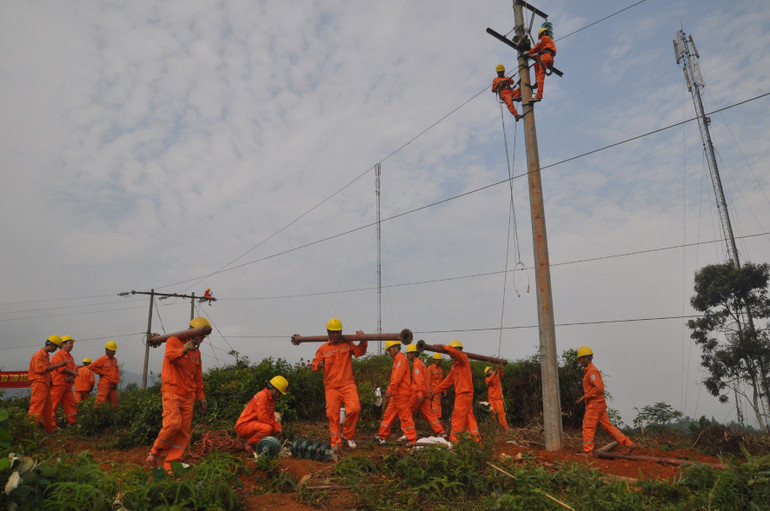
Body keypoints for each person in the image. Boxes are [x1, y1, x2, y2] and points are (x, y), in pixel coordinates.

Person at [146, 317, 209, 471]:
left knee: (183, 432)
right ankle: (154, 452)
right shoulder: (173, 341)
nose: (202, 340)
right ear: (195, 333)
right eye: (202, 336)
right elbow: (170, 357)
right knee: (173, 424)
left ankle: (171, 465)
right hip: (172, 392)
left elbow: (197, 378)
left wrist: (201, 398)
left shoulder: (197, 353)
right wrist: (184, 349)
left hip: (188, 396)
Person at [312, 318, 368, 450]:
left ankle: (348, 435)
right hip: (331, 387)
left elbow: (360, 352)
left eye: (337, 332)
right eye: (333, 332)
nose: (335, 335)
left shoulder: (347, 344)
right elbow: (315, 364)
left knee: (355, 409)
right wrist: (318, 364)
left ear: (341, 332)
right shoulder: (323, 349)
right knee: (332, 415)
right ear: (328, 333)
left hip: (347, 384)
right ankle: (335, 443)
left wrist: (363, 339)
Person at [576, 346, 636, 455]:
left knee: (588, 427)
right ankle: (628, 443)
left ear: (587, 358)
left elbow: (599, 389)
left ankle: (588, 452)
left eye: (581, 358)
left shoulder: (591, 371)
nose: (580, 361)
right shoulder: (590, 371)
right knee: (608, 427)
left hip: (594, 404)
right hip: (599, 404)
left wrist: (584, 397)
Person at [434, 340, 480, 442]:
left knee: (457, 418)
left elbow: (456, 353)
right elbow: (447, 381)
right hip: (464, 394)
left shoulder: (463, 359)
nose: (450, 355)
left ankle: (455, 441)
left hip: (464, 394)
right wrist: (435, 391)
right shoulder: (455, 367)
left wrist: (444, 346)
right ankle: (476, 440)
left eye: (451, 352)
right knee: (469, 418)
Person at [373, 341, 416, 445]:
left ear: (395, 348)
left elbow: (397, 377)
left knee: (405, 417)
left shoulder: (401, 359)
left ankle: (412, 440)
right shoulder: (398, 360)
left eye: (389, 351)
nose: (389, 353)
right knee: (388, 415)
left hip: (401, 394)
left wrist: (390, 390)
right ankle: (382, 437)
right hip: (396, 394)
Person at [235, 376, 288, 453]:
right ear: (273, 389)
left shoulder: (271, 399)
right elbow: (262, 417)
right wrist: (275, 426)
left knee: (272, 429)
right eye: (279, 392)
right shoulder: (262, 396)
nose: (280, 395)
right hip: (244, 426)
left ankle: (260, 444)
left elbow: (271, 417)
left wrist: (277, 427)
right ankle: (248, 443)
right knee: (267, 429)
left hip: (254, 425)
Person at [28, 335, 68, 432]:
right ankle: (31, 429)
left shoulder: (45, 356)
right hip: (39, 383)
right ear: (51, 345)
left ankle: (50, 428)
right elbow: (41, 369)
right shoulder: (39, 355)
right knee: (37, 407)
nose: (55, 350)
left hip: (45, 384)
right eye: (55, 347)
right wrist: (57, 365)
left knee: (48, 409)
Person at [405, 344, 446, 438]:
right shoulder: (421, 363)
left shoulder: (416, 364)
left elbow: (419, 380)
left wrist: (419, 393)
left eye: (408, 354)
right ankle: (441, 432)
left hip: (418, 393)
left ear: (413, 354)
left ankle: (408, 434)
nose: (407, 356)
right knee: (430, 414)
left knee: (406, 413)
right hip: (425, 393)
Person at [50, 335, 79, 427]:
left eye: (72, 344)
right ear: (63, 344)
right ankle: (50, 424)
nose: (72, 345)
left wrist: (73, 375)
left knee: (70, 403)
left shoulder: (70, 357)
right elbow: (61, 368)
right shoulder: (58, 355)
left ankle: (71, 422)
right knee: (53, 404)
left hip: (68, 384)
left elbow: (74, 368)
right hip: (58, 383)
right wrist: (72, 372)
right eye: (70, 343)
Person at [527, 27, 556, 102]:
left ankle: (539, 96)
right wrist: (531, 55)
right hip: (549, 58)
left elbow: (537, 47)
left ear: (542, 34)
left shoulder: (544, 38)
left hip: (545, 57)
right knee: (536, 65)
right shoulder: (549, 41)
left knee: (541, 77)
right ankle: (537, 80)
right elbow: (539, 51)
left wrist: (528, 52)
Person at [89, 341, 121, 407]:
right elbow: (91, 366)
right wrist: (100, 372)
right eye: (111, 350)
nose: (113, 352)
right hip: (104, 382)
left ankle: (112, 416)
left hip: (113, 383)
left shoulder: (115, 360)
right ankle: (97, 415)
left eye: (114, 351)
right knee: (100, 400)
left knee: (114, 402)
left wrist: (116, 382)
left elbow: (117, 371)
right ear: (106, 350)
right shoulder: (102, 359)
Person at [484, 364, 509, 429]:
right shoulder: (487, 379)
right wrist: (495, 372)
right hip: (491, 401)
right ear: (487, 373)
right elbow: (489, 380)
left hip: (498, 400)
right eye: (490, 370)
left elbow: (500, 374)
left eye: (492, 370)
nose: (491, 370)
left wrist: (500, 368)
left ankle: (505, 428)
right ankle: (494, 430)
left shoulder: (497, 377)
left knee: (501, 415)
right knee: (493, 416)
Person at [428, 353, 445, 420]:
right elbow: (428, 380)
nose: (438, 361)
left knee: (436, 405)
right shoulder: (430, 368)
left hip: (439, 390)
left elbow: (442, 381)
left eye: (439, 360)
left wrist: (444, 390)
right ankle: (435, 419)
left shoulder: (440, 369)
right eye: (437, 360)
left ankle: (435, 419)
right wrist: (430, 390)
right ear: (434, 360)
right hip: (432, 390)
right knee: (435, 405)